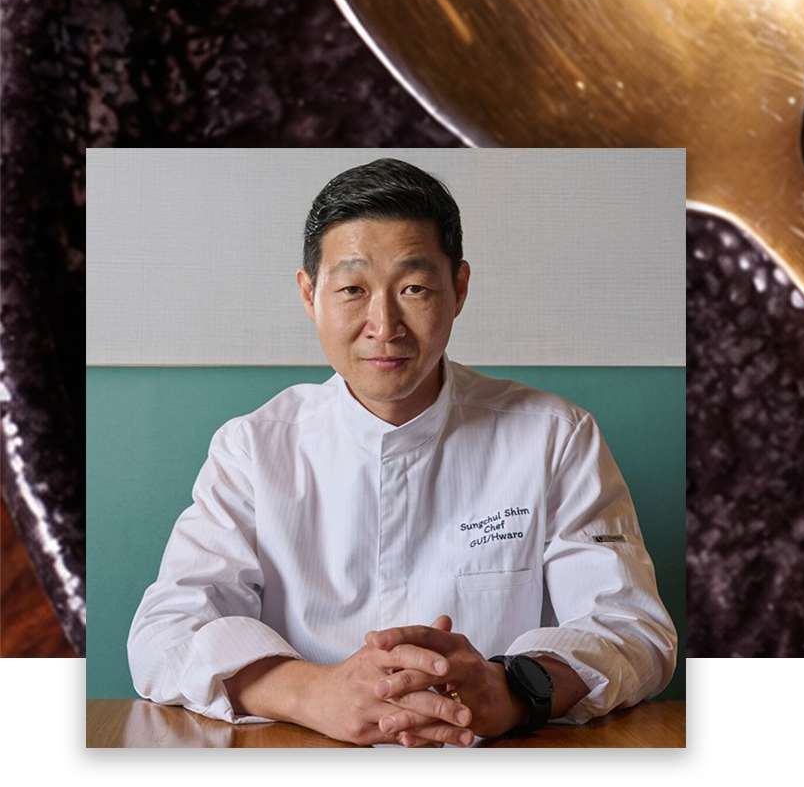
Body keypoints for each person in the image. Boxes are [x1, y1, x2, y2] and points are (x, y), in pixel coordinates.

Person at [127, 158, 676, 747]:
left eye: (414, 288)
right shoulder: (253, 449)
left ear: (459, 289)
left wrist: (513, 689)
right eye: (352, 290)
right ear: (310, 295)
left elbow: (633, 630)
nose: (384, 325)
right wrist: (312, 691)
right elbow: (165, 634)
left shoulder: (555, 438)